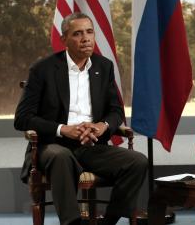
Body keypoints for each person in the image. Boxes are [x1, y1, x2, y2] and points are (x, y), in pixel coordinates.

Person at [14, 12, 147, 225]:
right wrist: (62, 129)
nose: (85, 38)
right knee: (61, 156)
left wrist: (101, 127)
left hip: (91, 146)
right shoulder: (43, 69)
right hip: (53, 145)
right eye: (77, 34)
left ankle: (109, 221)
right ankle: (72, 223)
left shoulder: (103, 67)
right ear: (64, 39)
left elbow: (116, 111)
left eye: (89, 32)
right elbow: (22, 119)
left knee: (137, 162)